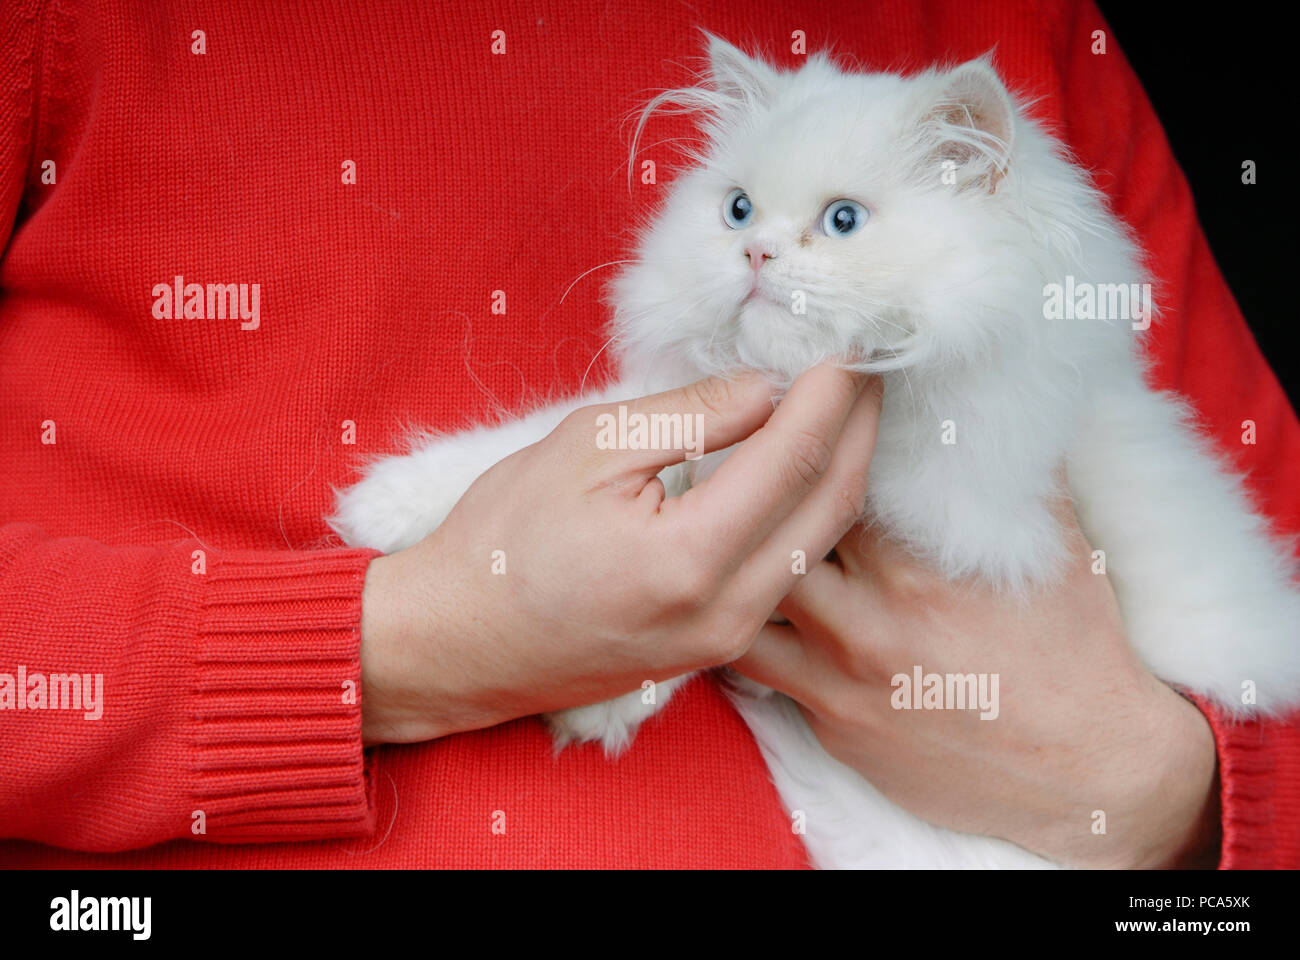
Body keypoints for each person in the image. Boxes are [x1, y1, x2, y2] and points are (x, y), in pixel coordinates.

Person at [2, 0, 1296, 869]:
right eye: (740, 206)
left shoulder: (1021, 37)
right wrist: (400, 645)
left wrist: (1162, 800)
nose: (764, 248)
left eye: (837, 221)